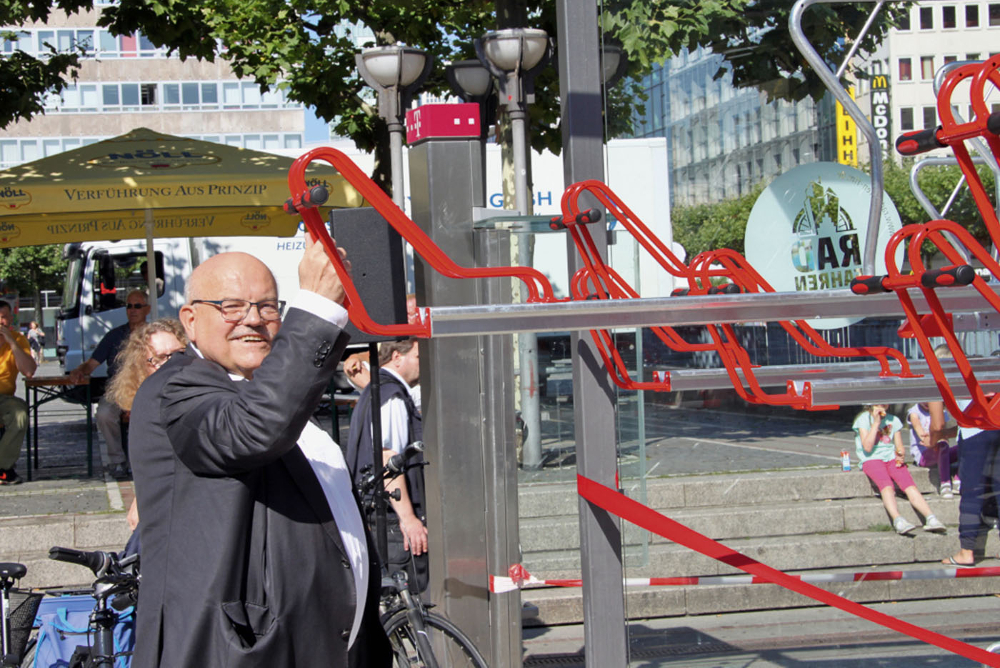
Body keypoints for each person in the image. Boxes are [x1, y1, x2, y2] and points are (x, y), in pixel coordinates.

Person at [129, 241, 390, 667]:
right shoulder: (174, 389)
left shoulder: (263, 389)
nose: (253, 319)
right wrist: (318, 307)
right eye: (230, 306)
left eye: (268, 307)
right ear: (190, 321)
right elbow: (253, 429)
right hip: (240, 654)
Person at [346, 338, 427, 593]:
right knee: (404, 599)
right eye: (417, 357)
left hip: (381, 516)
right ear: (396, 357)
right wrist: (409, 518)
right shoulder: (391, 396)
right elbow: (387, 458)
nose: (422, 364)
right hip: (392, 521)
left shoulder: (379, 390)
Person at [104, 318, 188, 534]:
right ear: (142, 366)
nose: (172, 364)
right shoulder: (148, 405)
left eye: (179, 354)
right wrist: (140, 499)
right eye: (160, 359)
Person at [68, 289, 150, 479]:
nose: (132, 310)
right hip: (118, 389)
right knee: (104, 413)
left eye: (137, 306)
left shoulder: (154, 334)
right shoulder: (114, 335)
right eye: (129, 306)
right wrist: (80, 370)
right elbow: (92, 363)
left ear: (147, 309)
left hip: (146, 388)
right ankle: (117, 462)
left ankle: (146, 462)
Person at [853, 403, 946, 535]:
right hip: (871, 459)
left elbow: (899, 445)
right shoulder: (863, 419)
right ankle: (898, 520)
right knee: (887, 486)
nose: (882, 404)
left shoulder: (893, 420)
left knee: (910, 486)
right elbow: (867, 447)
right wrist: (876, 423)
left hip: (891, 458)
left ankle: (931, 518)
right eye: (878, 402)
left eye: (885, 401)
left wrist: (900, 454)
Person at [0, 301, 36, 485]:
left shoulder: (17, 339)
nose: (0, 321)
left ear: (10, 319)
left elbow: (29, 371)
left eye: (4, 317)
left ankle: (2, 467)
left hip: (4, 398)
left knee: (20, 415)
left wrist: (12, 342)